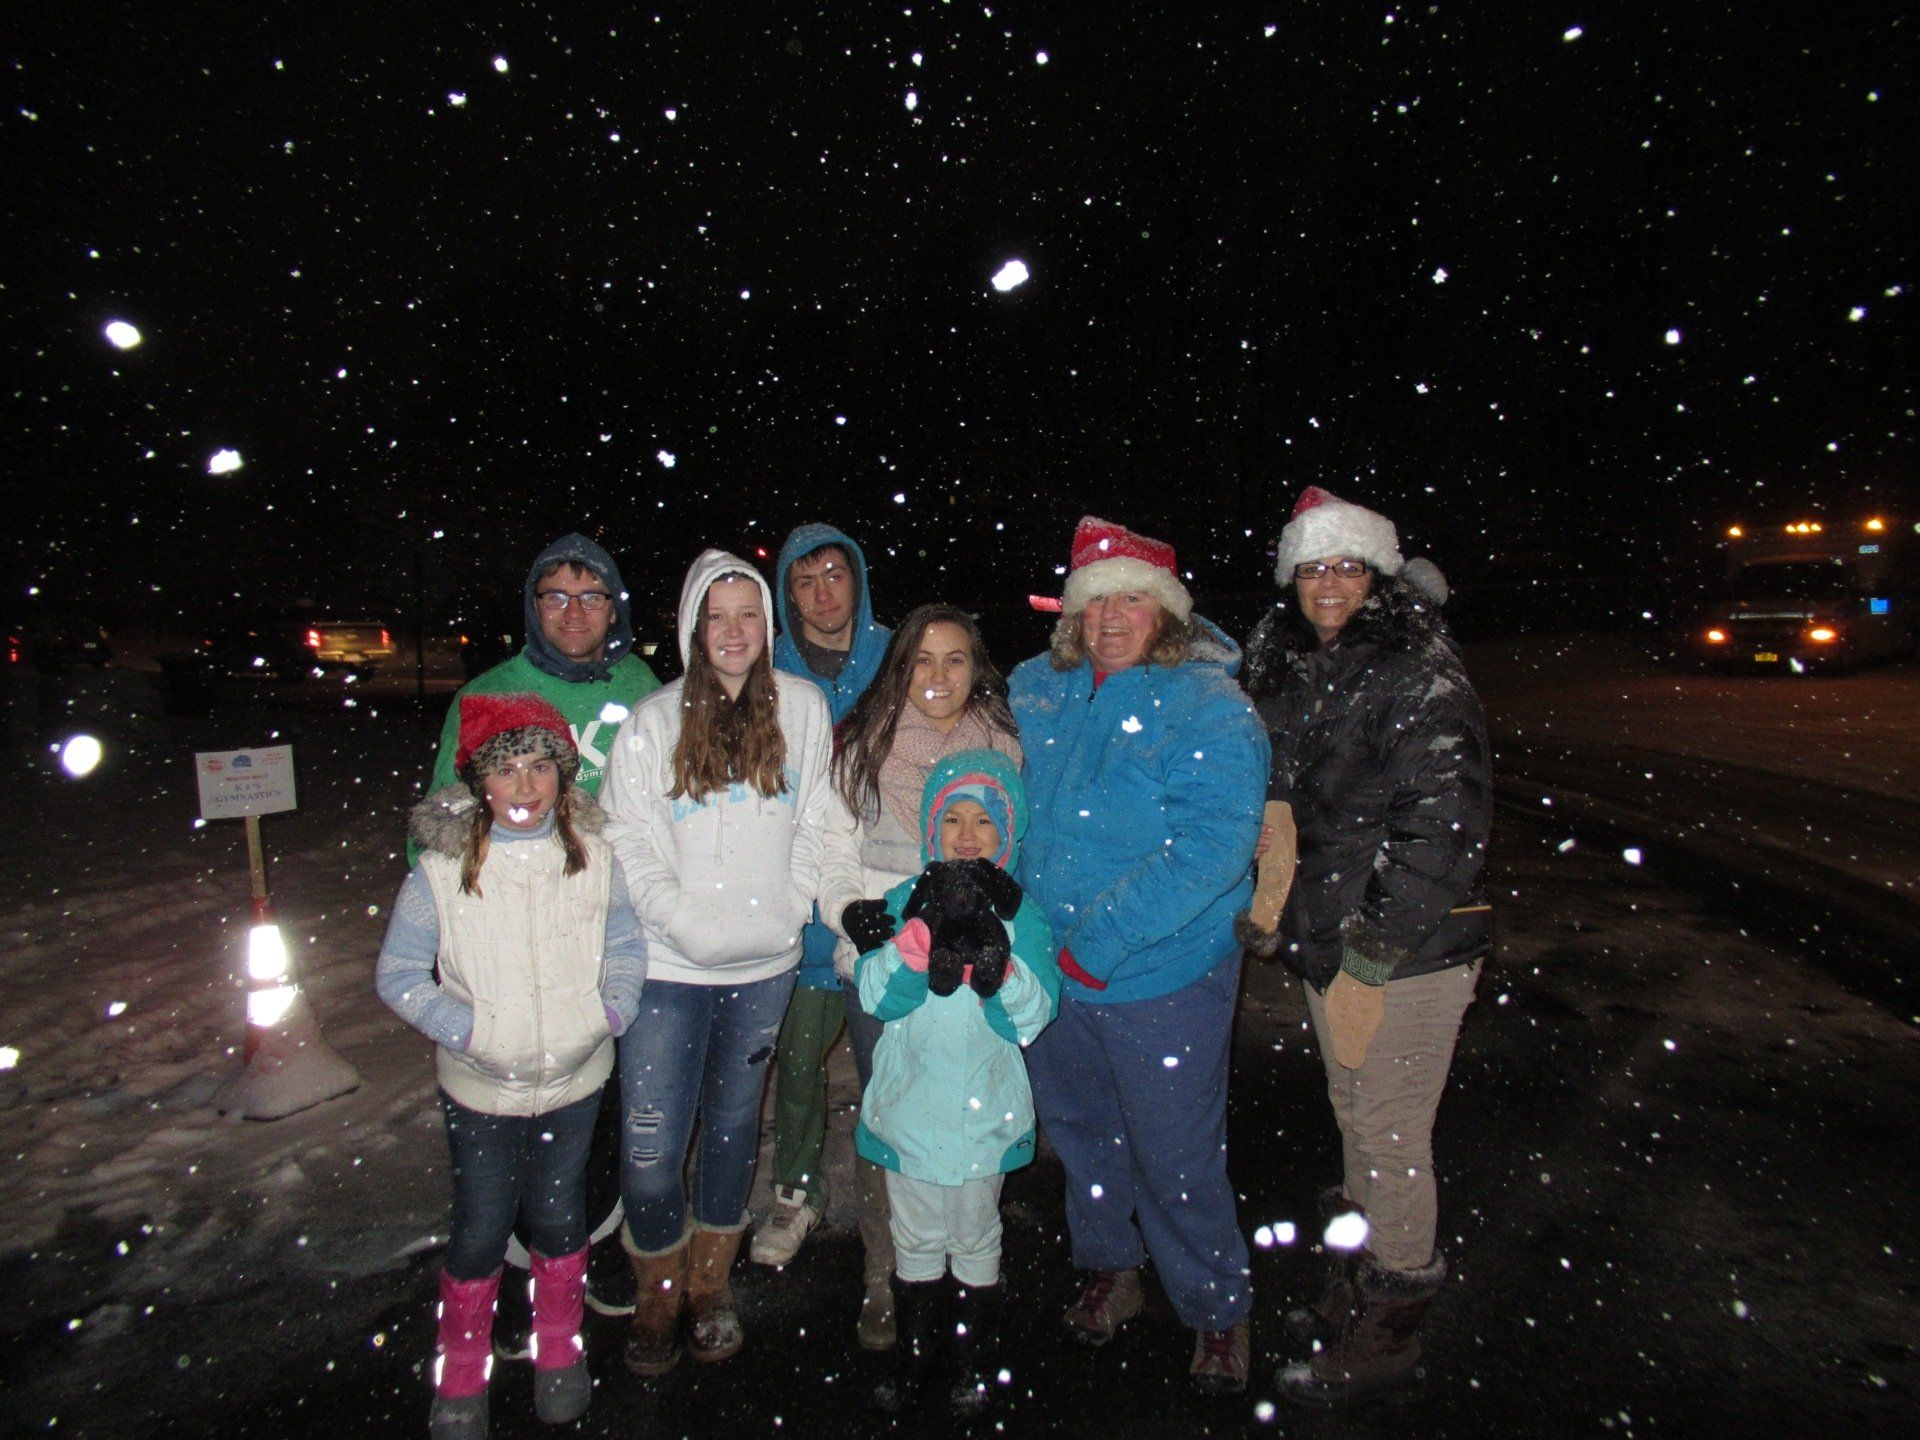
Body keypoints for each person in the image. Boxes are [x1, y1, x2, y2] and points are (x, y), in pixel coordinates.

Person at [1238, 486, 1491, 1408]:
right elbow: (1289, 810)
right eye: (1314, 569)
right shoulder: (1308, 672)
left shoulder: (1418, 676)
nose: (1330, 585)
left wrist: (1373, 951)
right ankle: (1360, 1286)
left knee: (1389, 1133)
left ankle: (1389, 1334)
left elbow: (1443, 830)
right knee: (1357, 1119)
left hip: (1406, 955)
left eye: (1348, 567)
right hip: (1333, 947)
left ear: (1378, 577)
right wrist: (1281, 906)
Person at [1009, 517, 1268, 1395]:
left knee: (1175, 1151)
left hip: (1163, 972)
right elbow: (1000, 803)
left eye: (1133, 599)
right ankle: (1111, 1266)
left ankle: (1216, 1308)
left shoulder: (1208, 707)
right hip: (1051, 968)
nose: (1112, 617)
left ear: (1167, 612)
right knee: (1082, 1134)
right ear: (1071, 612)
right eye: (1095, 601)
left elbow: (1214, 848)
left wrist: (1104, 940)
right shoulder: (1037, 691)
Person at [600, 549, 862, 1375]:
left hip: (764, 970)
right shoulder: (652, 723)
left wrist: (798, 906)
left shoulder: (806, 710)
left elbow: (821, 819)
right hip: (668, 972)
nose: (736, 631)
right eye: (719, 615)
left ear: (769, 624)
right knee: (649, 1142)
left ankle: (709, 1284)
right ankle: (656, 1287)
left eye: (750, 614)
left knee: (730, 1133)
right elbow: (626, 839)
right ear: (693, 627)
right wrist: (679, 918)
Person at [376, 693, 646, 1438]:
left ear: (564, 777)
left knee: (563, 1218)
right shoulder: (440, 872)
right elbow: (400, 974)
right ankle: (461, 1371)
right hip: (481, 1087)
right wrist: (468, 1029)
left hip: (575, 1079)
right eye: (505, 769)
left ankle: (558, 1349)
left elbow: (624, 949)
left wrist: (607, 1015)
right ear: (477, 784)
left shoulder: (594, 860)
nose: (525, 786)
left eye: (540, 767)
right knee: (481, 1226)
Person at [826, 605, 1025, 1348]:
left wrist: (1008, 952)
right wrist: (854, 921)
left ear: (977, 669)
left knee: (974, 1110)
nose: (938, 677)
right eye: (922, 660)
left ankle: (972, 1269)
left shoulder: (1002, 748)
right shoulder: (863, 746)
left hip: (979, 974)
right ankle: (892, 1273)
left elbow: (1015, 865)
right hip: (886, 970)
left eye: (956, 660)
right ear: (898, 666)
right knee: (891, 1121)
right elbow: (833, 857)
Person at [851, 748, 1059, 1415]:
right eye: (953, 821)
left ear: (1007, 836)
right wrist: (910, 952)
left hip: (983, 1115)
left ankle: (972, 1355)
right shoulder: (902, 899)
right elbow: (878, 997)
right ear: (930, 831)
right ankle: (918, 1353)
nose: (967, 836)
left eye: (985, 823)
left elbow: (1032, 1017)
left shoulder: (1021, 916)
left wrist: (1000, 974)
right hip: (909, 1110)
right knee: (913, 1235)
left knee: (974, 1233)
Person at [752, 523, 893, 1269]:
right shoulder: (763, 669)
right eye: (804, 581)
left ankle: (896, 1203)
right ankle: (795, 1194)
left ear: (857, 578)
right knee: (800, 1061)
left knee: (891, 1067)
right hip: (801, 903)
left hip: (886, 901)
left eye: (834, 574)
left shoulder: (899, 656)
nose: (821, 593)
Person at [415, 533, 660, 861]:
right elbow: (440, 826)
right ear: (535, 606)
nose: (574, 613)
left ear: (614, 608)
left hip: (629, 881)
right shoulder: (486, 696)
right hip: (528, 891)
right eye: (556, 598)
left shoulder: (641, 684)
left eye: (591, 597)